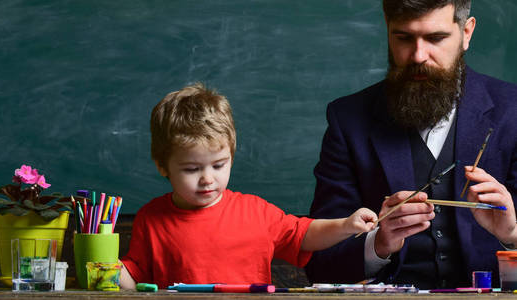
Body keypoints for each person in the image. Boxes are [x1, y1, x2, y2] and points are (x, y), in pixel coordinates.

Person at [305, 0, 517, 290]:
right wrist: (378, 243)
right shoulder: (348, 120)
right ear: (388, 31)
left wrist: (513, 234)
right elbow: (320, 260)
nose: (418, 56)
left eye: (435, 38)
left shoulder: (513, 111)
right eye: (403, 38)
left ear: (466, 33)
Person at [118, 83, 378, 289]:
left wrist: (345, 225)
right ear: (162, 165)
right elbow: (133, 280)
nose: (208, 178)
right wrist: (108, 269)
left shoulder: (256, 212)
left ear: (231, 154)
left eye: (219, 165)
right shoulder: (151, 219)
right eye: (191, 169)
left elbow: (304, 234)